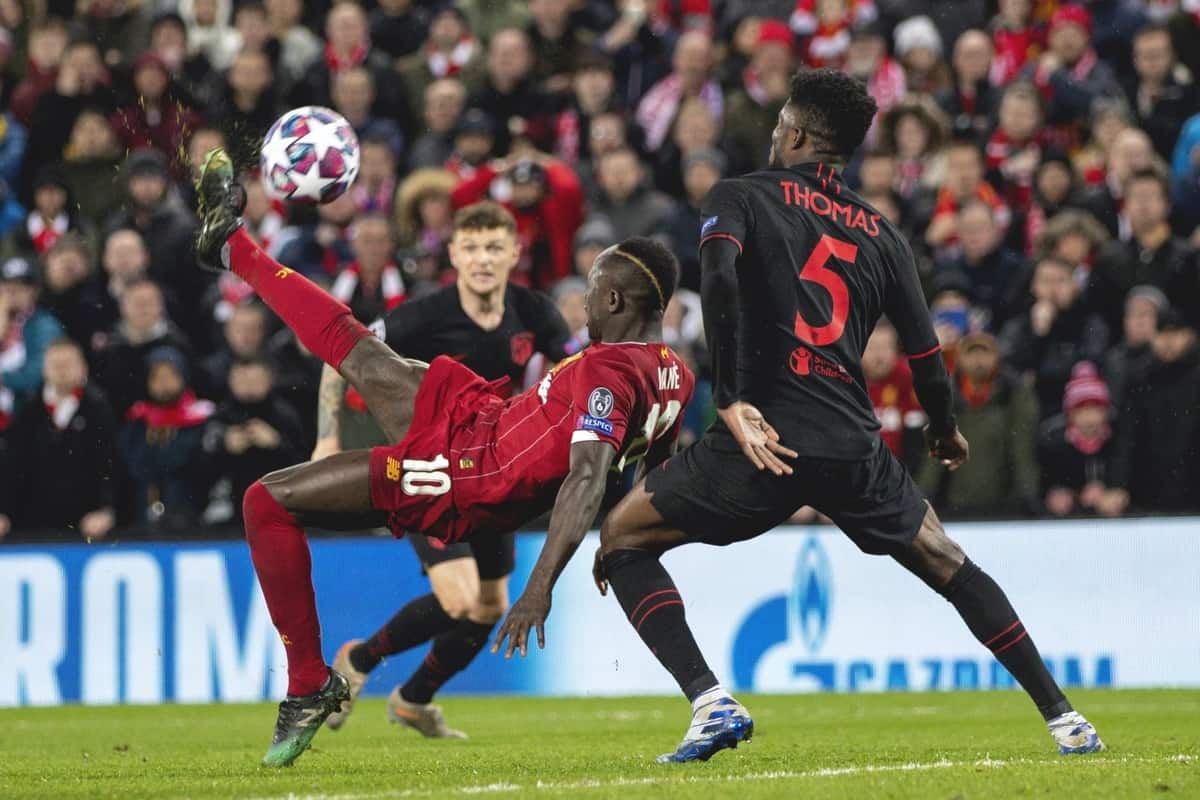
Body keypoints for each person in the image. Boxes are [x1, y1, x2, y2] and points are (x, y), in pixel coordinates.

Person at [571, 69, 1102, 763]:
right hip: (852, 443)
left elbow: (722, 279)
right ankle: (1065, 718)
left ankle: (710, 701)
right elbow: (925, 356)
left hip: (761, 439)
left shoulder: (737, 196)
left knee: (620, 537)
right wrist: (943, 431)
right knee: (948, 560)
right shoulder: (883, 233)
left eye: (778, 124)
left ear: (793, 132)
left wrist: (729, 397)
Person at [191, 147, 694, 767]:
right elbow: (656, 470)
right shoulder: (676, 376)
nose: (581, 303)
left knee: (264, 501)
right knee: (358, 347)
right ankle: (233, 248)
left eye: (590, 291)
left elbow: (590, 476)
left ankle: (308, 684)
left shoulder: (604, 372)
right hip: (483, 418)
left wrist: (541, 588)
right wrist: (627, 538)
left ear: (615, 304)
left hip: (469, 476)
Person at [314, 201, 572, 739]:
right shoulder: (423, 315)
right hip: (430, 469)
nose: (483, 259)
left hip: (495, 472)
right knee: (457, 597)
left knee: (487, 607)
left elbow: (577, 363)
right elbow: (340, 351)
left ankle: (413, 700)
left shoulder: (537, 313)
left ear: (514, 254)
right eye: (472, 248)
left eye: (494, 247)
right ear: (453, 254)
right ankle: (359, 660)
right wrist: (326, 437)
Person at [0, 338, 117, 540]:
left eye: (68, 364)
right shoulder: (28, 410)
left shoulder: (99, 409)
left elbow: (111, 464)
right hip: (31, 525)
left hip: (86, 526)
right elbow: (11, 465)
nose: (61, 370)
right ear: (44, 369)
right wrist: (4, 512)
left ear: (83, 368)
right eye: (56, 364)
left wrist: (107, 510)